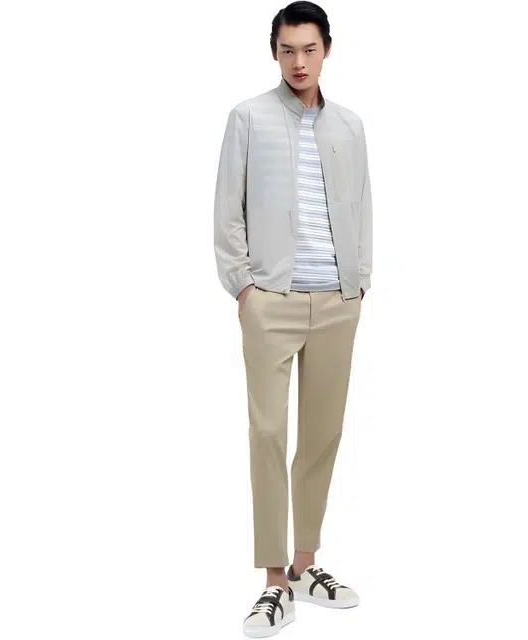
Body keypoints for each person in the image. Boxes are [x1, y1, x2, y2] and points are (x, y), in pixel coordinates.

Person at [213, 2, 373, 636]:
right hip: (270, 302)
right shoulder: (248, 118)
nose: (298, 62)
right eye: (287, 50)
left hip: (337, 302)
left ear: (327, 49)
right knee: (269, 435)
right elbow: (227, 209)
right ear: (274, 53)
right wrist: (244, 288)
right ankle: (274, 581)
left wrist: (359, 282)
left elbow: (362, 205)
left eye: (309, 49)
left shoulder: (350, 126)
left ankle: (306, 565)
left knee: (323, 435)